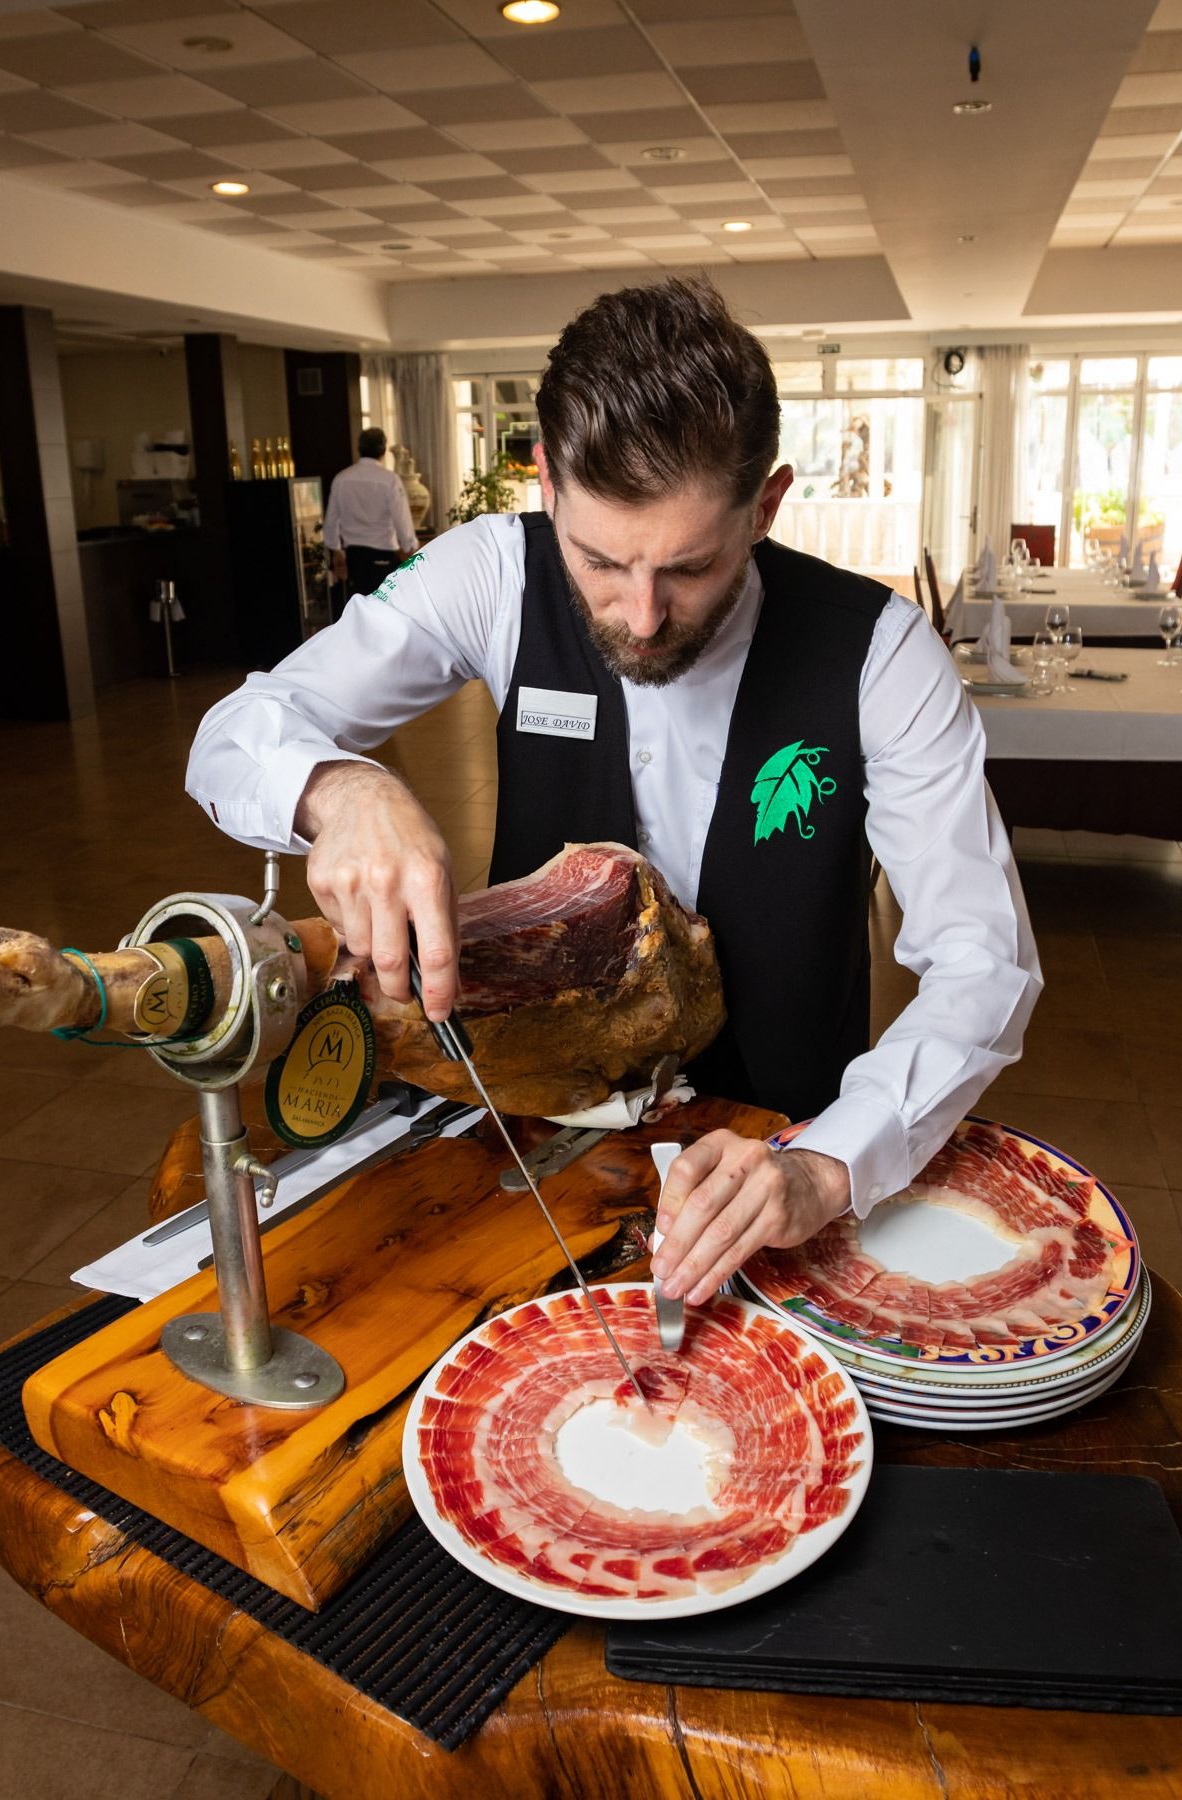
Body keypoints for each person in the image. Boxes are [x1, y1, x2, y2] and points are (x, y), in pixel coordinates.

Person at [187, 278, 1041, 1311]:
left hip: (777, 1156)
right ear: (546, 483)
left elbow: (982, 962)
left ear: (766, 506)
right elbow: (234, 735)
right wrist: (339, 786)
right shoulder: (492, 575)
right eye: (599, 559)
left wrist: (828, 1166)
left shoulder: (881, 652)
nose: (641, 617)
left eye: (689, 566)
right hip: (527, 1146)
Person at [323, 427, 419, 616]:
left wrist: (336, 550)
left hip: (355, 557)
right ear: (383, 451)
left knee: (359, 612)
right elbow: (402, 520)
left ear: (359, 448)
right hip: (383, 555)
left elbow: (331, 520)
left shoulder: (342, 478)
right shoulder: (389, 480)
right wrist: (410, 547)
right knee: (384, 611)